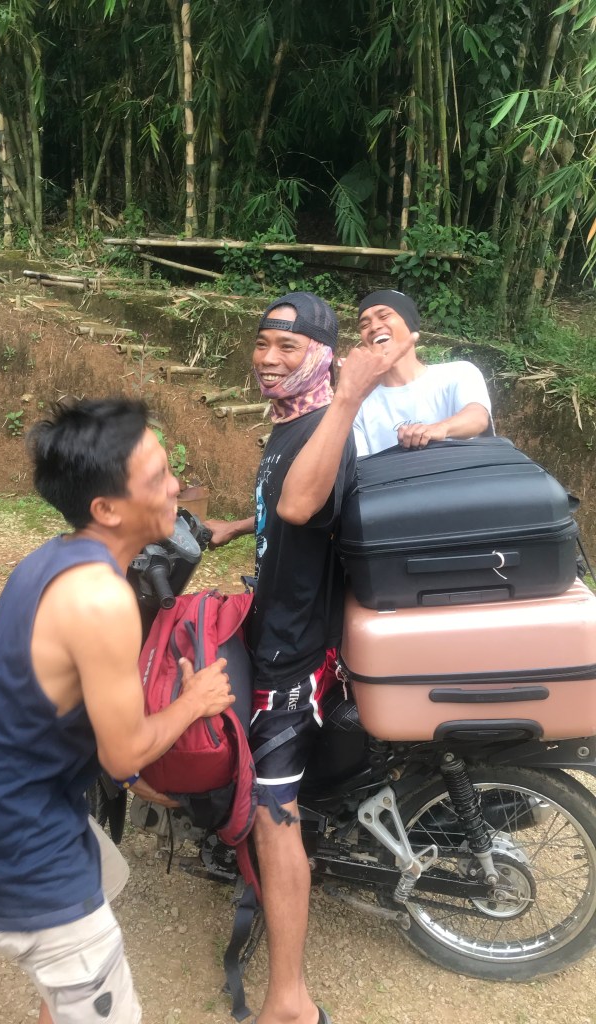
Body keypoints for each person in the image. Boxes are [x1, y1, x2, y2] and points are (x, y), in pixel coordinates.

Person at [0, 398, 234, 1024]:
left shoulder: (53, 557)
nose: (176, 487)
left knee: (104, 885)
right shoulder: (100, 598)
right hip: (12, 844)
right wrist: (192, 702)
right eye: (158, 478)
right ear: (107, 509)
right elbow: (123, 754)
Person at [205, 293, 404, 1024]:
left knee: (272, 808)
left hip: (293, 655)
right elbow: (282, 514)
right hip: (274, 625)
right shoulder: (292, 423)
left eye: (287, 350)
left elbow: (300, 507)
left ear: (322, 358)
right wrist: (232, 526)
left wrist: (352, 396)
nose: (267, 360)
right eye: (261, 345)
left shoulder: (327, 422)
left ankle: (290, 1000)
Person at [352, 288, 493, 456]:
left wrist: (439, 429)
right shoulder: (359, 404)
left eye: (384, 316)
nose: (374, 327)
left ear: (409, 323)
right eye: (364, 325)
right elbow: (360, 467)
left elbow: (478, 417)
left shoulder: (459, 373)